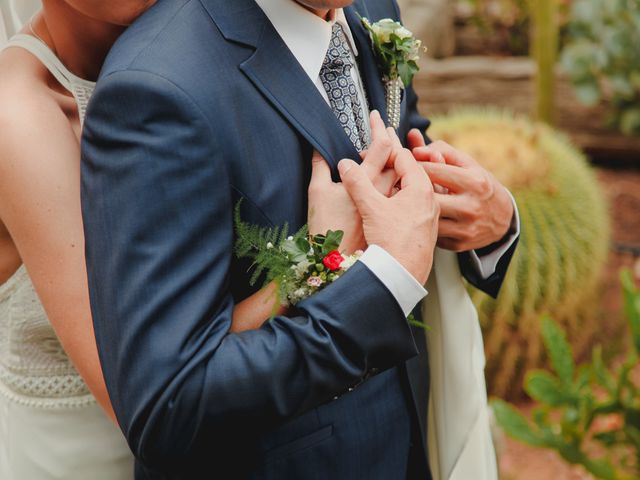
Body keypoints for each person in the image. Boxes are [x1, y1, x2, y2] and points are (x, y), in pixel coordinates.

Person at [81, 0, 519, 479]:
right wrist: (377, 282)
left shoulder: (368, 10)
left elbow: (405, 155)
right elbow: (170, 407)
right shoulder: (157, 88)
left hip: (408, 439)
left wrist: (493, 221)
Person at [0, 0, 327, 477]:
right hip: (84, 459)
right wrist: (317, 259)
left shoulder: (213, 46)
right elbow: (143, 395)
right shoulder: (19, 116)